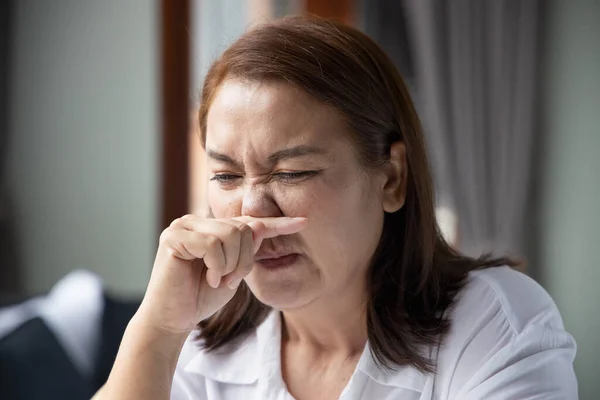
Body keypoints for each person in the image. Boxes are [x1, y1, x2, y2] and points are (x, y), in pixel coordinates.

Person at [95, 16, 577, 400]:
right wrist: (157, 331)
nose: (253, 211)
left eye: (291, 173)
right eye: (226, 176)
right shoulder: (202, 348)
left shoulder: (494, 324)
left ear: (391, 178)